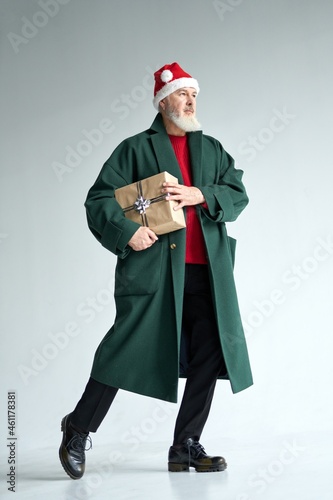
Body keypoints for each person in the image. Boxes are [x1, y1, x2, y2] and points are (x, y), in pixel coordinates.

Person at [59, 62, 253, 480]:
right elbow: (99, 200)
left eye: (194, 95)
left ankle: (185, 444)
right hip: (155, 269)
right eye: (184, 95)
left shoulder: (213, 149)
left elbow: (238, 194)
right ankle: (77, 427)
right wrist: (128, 232)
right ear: (164, 101)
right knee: (125, 349)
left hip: (207, 270)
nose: (191, 101)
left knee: (211, 351)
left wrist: (200, 193)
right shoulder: (135, 149)